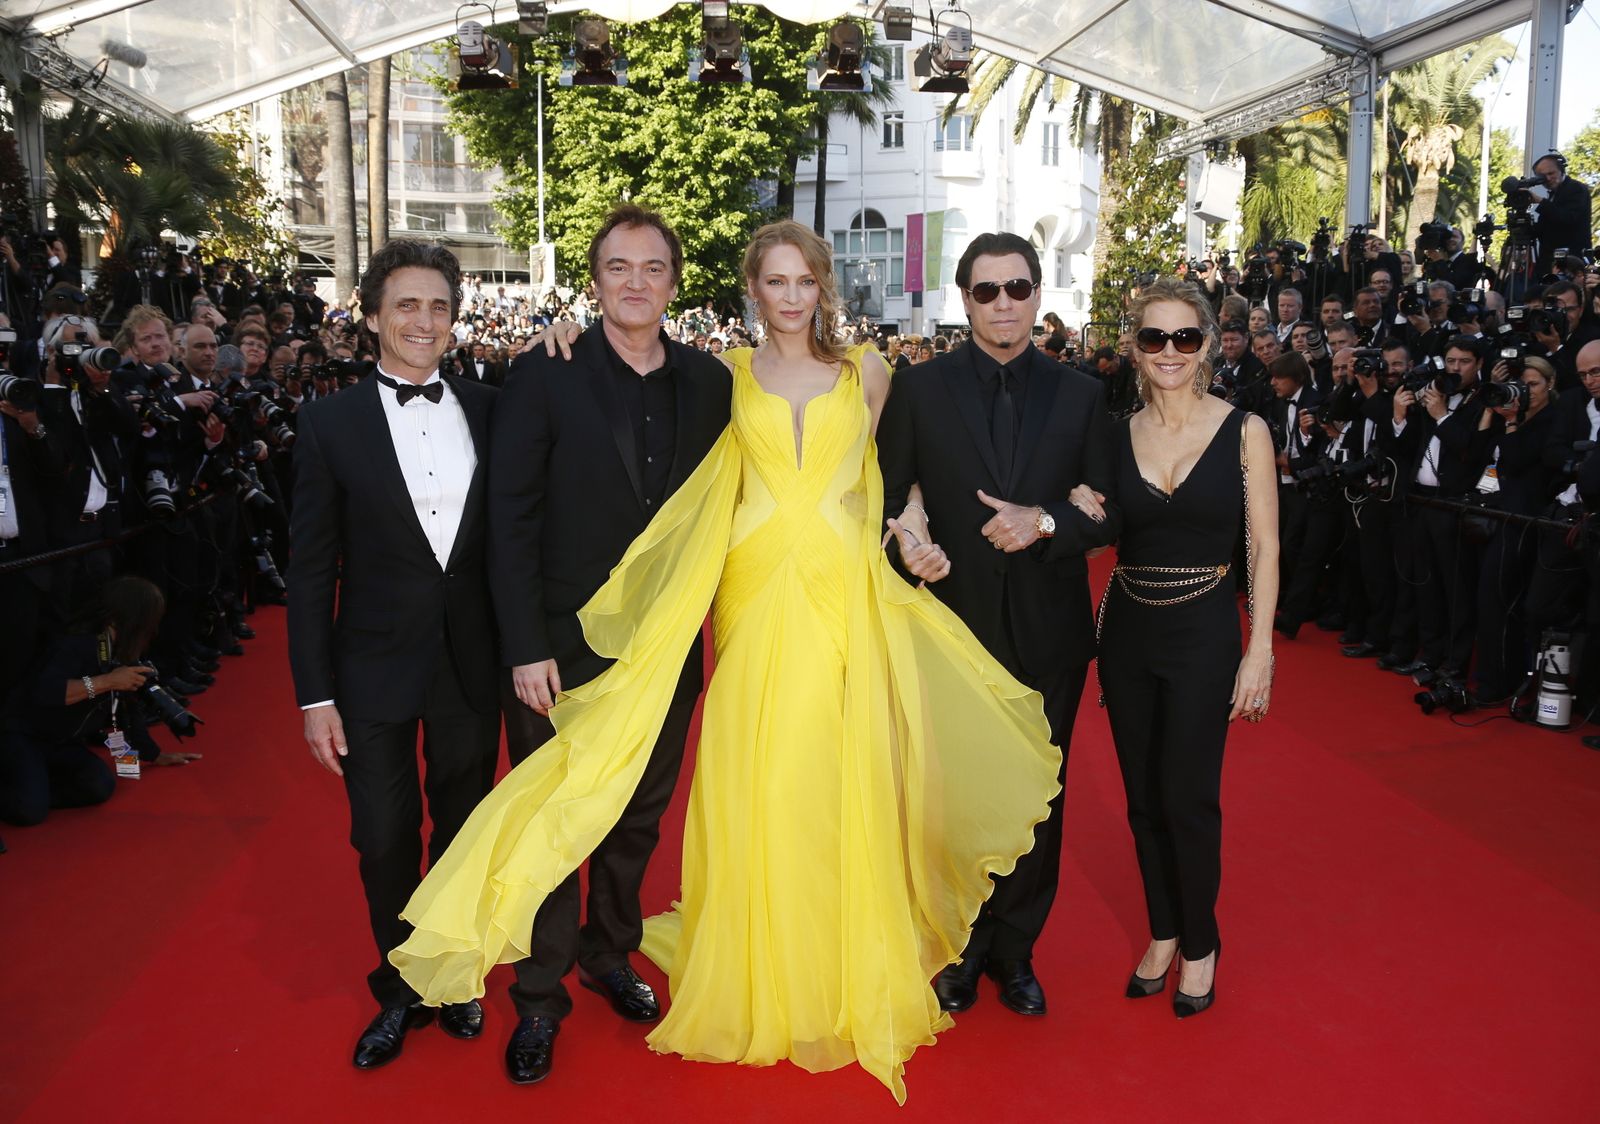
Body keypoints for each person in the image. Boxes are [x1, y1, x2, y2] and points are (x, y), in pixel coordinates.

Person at [388, 221, 1062, 1103]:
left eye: (803, 281)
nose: (789, 296)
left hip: (838, 597)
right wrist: (560, 337)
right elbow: (543, 492)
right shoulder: (723, 376)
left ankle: (794, 956)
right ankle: (567, 988)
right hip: (739, 598)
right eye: (773, 282)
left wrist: (920, 527)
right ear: (752, 290)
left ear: (822, 286)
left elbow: (897, 479)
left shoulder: (860, 373)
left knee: (818, 782)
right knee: (744, 779)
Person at [484, 205, 732, 1086]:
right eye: (618, 267)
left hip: (664, 651)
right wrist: (523, 643)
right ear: (594, 281)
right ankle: (540, 997)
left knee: (634, 823)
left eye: (653, 268)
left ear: (674, 281)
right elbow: (508, 520)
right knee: (556, 826)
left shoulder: (711, 384)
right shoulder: (544, 375)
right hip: (556, 649)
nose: (636, 283)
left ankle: (608, 952)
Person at [876, 231, 1122, 1017]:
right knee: (950, 799)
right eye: (987, 291)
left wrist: (1045, 522)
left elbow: (1108, 508)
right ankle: (960, 946)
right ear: (965, 298)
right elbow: (886, 499)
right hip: (950, 629)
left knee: (1036, 801)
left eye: (1017, 288)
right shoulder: (919, 388)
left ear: (1038, 294)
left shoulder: (1082, 394)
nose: (1004, 304)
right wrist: (909, 547)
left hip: (1049, 633)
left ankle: (1016, 953)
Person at [287, 239, 503, 1070]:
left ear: (455, 318)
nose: (423, 321)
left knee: (459, 829)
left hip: (469, 663)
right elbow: (311, 571)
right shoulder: (328, 422)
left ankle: (450, 976)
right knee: (382, 837)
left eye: (438, 306)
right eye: (406, 305)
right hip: (370, 667)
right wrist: (314, 695)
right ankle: (398, 986)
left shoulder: (492, 405)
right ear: (373, 315)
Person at [1096, 275, 1278, 1017]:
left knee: (1189, 797)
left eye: (1185, 337)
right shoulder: (1112, 437)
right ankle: (1164, 931)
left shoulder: (1246, 431)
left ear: (1206, 343)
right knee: (1142, 800)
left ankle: (1201, 942)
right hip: (1130, 627)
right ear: (1134, 350)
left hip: (1206, 627)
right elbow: (1088, 520)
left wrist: (1259, 648)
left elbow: (1264, 546)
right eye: (1153, 338)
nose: (1169, 351)